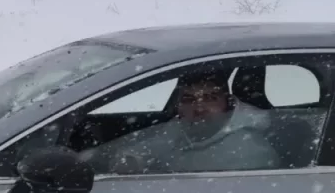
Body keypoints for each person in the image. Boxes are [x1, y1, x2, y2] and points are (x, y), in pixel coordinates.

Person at [82, 69, 280, 174]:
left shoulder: (250, 151)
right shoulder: (180, 129)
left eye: (210, 98)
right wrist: (130, 160)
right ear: (178, 107)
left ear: (228, 103)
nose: (199, 108)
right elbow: (151, 148)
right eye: (189, 99)